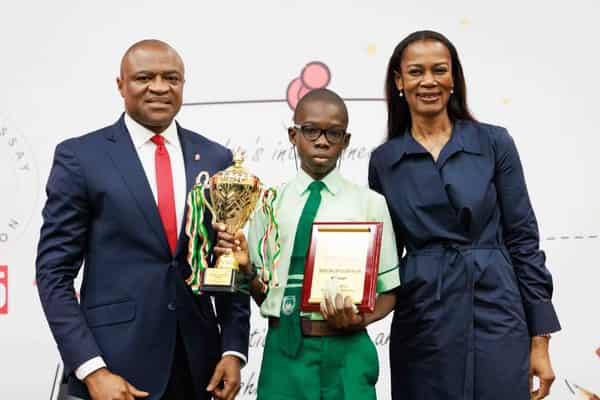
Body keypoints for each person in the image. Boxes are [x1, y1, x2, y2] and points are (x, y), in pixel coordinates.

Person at [35, 39, 249, 400]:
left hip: (198, 370)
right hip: (113, 369)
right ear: (121, 85)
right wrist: (91, 369)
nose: (160, 87)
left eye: (172, 78)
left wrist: (233, 349)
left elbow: (227, 260)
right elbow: (53, 274)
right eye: (144, 77)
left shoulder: (215, 158)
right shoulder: (81, 157)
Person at [368, 30, 561, 400]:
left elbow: (523, 240)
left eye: (439, 70)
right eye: (416, 72)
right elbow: (385, 256)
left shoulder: (494, 142)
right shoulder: (385, 161)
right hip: (423, 316)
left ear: (453, 77)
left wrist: (540, 340)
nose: (428, 81)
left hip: (497, 311)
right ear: (399, 81)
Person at [214, 88, 400, 400]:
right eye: (311, 130)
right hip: (284, 351)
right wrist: (246, 270)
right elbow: (262, 293)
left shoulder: (370, 203)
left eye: (334, 133)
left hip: (348, 352)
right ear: (293, 135)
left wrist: (359, 320)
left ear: (346, 140)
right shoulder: (268, 203)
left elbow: (389, 291)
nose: (322, 141)